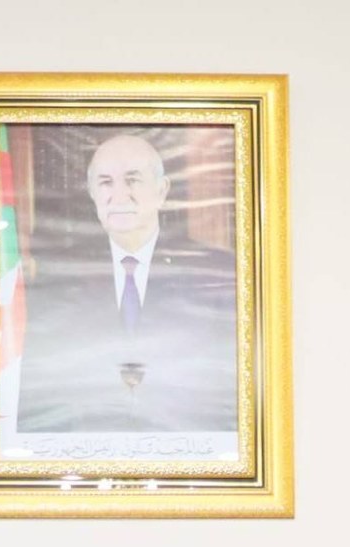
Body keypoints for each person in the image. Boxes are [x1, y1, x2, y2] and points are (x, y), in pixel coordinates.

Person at [13, 129, 238, 436]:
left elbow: (234, 392)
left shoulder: (214, 274)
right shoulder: (59, 275)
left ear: (162, 190)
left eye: (133, 180)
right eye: (105, 182)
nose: (119, 195)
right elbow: (37, 397)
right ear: (92, 193)